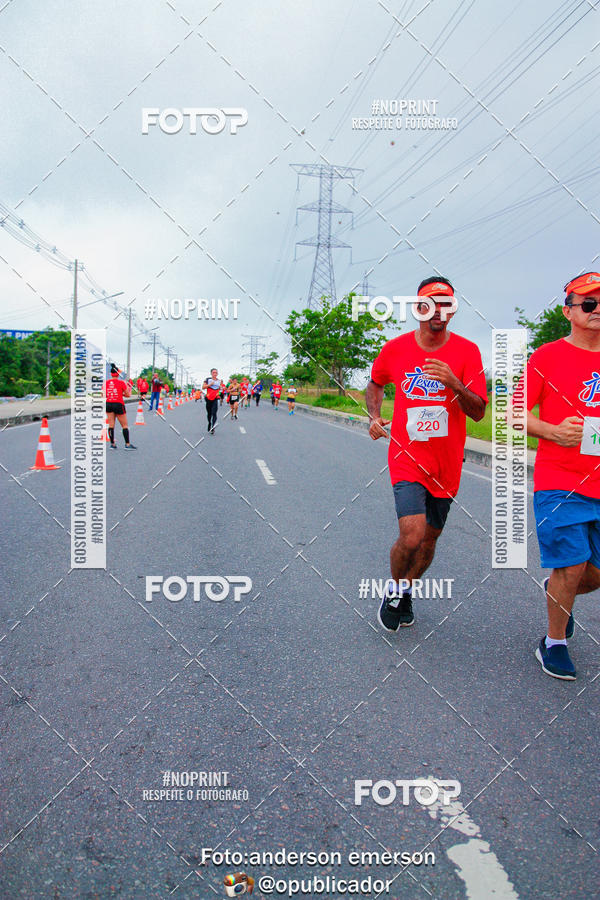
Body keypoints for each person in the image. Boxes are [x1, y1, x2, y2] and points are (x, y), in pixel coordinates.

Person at [366, 276, 487, 631]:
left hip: (447, 463)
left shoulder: (467, 352)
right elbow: (375, 382)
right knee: (412, 534)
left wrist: (454, 382)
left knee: (430, 539)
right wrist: (374, 416)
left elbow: (478, 411)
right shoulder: (396, 349)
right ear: (418, 308)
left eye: (446, 304)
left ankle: (406, 590)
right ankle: (394, 590)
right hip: (407, 457)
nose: (438, 310)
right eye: (431, 303)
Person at [526, 272, 600, 680]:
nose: (597, 309)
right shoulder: (547, 357)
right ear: (568, 310)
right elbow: (513, 414)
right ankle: (554, 643)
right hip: (561, 482)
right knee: (571, 566)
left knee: (591, 574)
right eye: (588, 303)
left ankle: (558, 592)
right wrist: (552, 432)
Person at [105, 364, 137, 449]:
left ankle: (112, 444)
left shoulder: (106, 383)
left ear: (111, 374)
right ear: (118, 374)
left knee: (111, 425)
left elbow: (103, 395)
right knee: (124, 425)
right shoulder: (121, 383)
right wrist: (121, 393)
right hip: (118, 404)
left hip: (109, 404)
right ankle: (127, 444)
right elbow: (128, 395)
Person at [202, 369, 221, 434]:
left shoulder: (219, 381)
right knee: (209, 413)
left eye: (216, 372)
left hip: (215, 398)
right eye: (213, 372)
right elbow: (203, 387)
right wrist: (210, 384)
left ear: (217, 374)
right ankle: (209, 423)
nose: (215, 374)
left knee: (214, 413)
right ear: (211, 373)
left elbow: (221, 389)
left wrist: (221, 389)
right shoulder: (207, 380)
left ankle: (213, 427)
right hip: (208, 398)